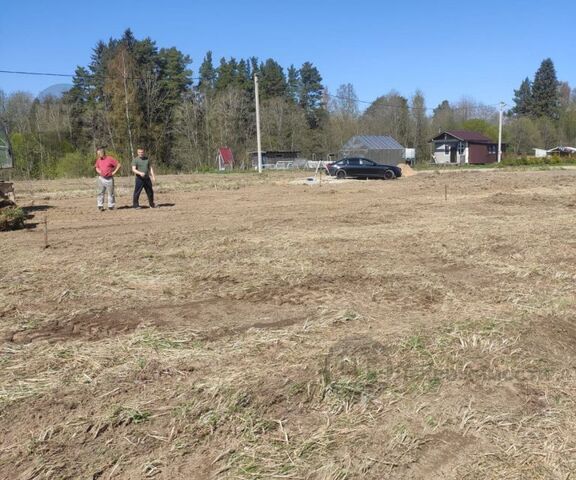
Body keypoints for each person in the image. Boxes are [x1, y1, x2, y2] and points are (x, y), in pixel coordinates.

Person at [94, 146, 121, 211]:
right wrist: (99, 171)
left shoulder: (110, 158)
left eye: (99, 153)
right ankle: (100, 206)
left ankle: (111, 206)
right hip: (101, 178)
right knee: (100, 192)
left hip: (109, 179)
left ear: (102, 152)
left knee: (111, 193)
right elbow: (96, 167)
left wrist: (114, 172)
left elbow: (119, 164)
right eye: (97, 154)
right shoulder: (98, 160)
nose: (98, 155)